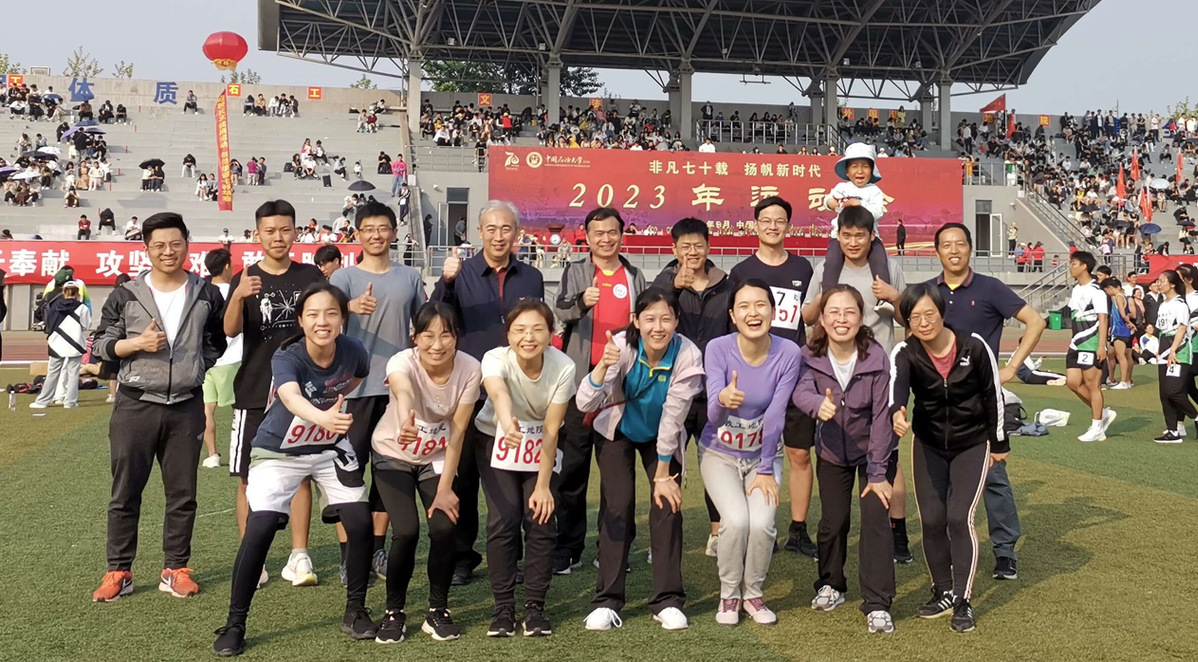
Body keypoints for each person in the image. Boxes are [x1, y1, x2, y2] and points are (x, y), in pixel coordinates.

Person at [212, 284, 375, 657]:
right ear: (301, 320)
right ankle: (235, 623)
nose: (322, 321)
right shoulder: (288, 355)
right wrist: (324, 417)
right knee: (261, 526)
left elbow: (356, 377)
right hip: (278, 450)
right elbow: (290, 396)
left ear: (343, 318)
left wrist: (330, 417)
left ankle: (355, 611)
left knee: (360, 522)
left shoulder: (354, 350)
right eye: (313, 314)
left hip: (328, 447)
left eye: (331, 313)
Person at [90, 212, 227, 602]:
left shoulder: (206, 293)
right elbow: (100, 344)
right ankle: (119, 571)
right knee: (125, 493)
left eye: (175, 244)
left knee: (183, 493)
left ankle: (175, 568)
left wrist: (193, 368)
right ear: (147, 249)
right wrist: (137, 344)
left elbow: (216, 342)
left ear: (187, 244)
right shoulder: (126, 293)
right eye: (159, 245)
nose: (168, 252)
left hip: (186, 405)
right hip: (135, 405)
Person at [431, 201, 544, 586]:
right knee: (463, 477)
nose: (499, 236)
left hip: (518, 391)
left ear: (517, 233)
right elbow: (436, 318)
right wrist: (446, 283)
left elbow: (536, 327)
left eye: (506, 228)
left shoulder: (531, 277)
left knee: (514, 476)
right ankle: (463, 557)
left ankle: (512, 555)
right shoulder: (460, 273)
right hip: (470, 389)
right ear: (479, 232)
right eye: (491, 229)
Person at [576, 288, 702, 632]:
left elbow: (673, 417)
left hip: (661, 436)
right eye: (649, 319)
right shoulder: (620, 346)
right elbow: (584, 403)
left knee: (668, 505)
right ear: (636, 321)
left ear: (677, 321)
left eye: (666, 319)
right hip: (617, 430)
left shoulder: (688, 354)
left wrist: (662, 474)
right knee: (617, 506)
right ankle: (606, 600)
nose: (658, 327)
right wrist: (602, 366)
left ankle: (668, 600)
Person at [929, 222, 1045, 581]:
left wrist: (1011, 367)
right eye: (946, 245)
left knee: (994, 474)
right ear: (937, 251)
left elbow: (1035, 321)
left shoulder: (990, 288)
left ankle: (1005, 551)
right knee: (943, 480)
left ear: (970, 248)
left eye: (960, 244)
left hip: (982, 400)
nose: (954, 250)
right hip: (939, 402)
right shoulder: (928, 292)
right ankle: (952, 551)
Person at [890, 282, 1007, 634]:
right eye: (915, 317)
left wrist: (999, 444)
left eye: (930, 314)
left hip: (972, 442)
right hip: (928, 443)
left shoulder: (973, 345)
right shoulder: (906, 351)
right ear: (907, 321)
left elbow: (992, 394)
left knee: (959, 517)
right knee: (931, 519)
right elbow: (897, 389)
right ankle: (941, 590)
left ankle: (962, 599)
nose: (924, 322)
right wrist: (897, 411)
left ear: (942, 312)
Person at [802, 205, 911, 563]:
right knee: (835, 451)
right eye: (846, 235)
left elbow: (908, 317)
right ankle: (834, 541)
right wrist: (826, 295)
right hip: (837, 375)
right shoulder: (825, 269)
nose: (853, 242)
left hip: (880, 373)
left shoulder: (888, 267)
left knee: (887, 453)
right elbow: (807, 317)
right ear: (838, 236)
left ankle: (897, 532)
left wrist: (893, 295)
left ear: (871, 236)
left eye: (860, 236)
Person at [224, 200, 325, 587]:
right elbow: (230, 330)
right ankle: (253, 556)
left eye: (285, 230)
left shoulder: (310, 275)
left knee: (301, 475)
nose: (278, 237)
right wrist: (238, 296)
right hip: (253, 390)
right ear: (257, 235)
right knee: (247, 477)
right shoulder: (245, 276)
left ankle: (299, 555)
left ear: (296, 232)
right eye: (270, 231)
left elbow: (326, 319)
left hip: (302, 391)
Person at [369, 302, 479, 642]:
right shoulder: (402, 361)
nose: (437, 344)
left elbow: (458, 432)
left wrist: (445, 489)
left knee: (444, 528)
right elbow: (402, 389)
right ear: (414, 337)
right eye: (428, 335)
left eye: (446, 335)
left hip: (437, 459)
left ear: (457, 336)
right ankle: (394, 612)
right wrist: (406, 419)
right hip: (392, 453)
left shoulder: (470, 369)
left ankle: (437, 610)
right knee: (406, 531)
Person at [330, 201, 427, 582]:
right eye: (368, 229)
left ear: (394, 232)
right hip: (353, 391)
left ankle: (376, 551)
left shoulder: (410, 277)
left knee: (389, 474)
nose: (376, 235)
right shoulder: (344, 278)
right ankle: (348, 556)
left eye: (383, 228)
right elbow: (323, 319)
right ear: (357, 234)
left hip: (397, 391)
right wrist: (349, 307)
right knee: (349, 476)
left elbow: (423, 326)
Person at [792, 285, 897, 634]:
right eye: (833, 312)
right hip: (832, 451)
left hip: (874, 453)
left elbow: (881, 418)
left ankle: (878, 603)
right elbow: (800, 390)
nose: (841, 319)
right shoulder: (809, 355)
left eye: (849, 312)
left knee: (875, 521)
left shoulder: (877, 358)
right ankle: (831, 583)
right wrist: (816, 405)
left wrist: (878, 472)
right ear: (821, 319)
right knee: (833, 522)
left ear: (861, 317)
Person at [550, 206, 646, 574]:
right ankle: (568, 547)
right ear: (587, 237)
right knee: (572, 470)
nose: (606, 239)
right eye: (598, 233)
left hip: (620, 387)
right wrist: (581, 302)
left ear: (621, 235)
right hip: (580, 383)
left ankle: (613, 546)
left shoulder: (634, 275)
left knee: (616, 472)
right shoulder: (576, 271)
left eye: (612, 232)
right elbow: (560, 311)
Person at [701, 279, 801, 626]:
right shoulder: (717, 348)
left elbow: (776, 414)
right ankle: (730, 594)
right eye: (743, 306)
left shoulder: (789, 353)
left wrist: (766, 469)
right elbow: (713, 415)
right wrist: (721, 399)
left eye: (761, 305)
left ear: (773, 312)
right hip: (719, 454)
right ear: (732, 315)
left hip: (763, 456)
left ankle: (753, 594)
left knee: (761, 523)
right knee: (736, 521)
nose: (753, 313)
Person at [476, 299, 575, 637]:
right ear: (508, 335)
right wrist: (507, 423)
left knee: (540, 517)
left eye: (537, 329)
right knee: (503, 519)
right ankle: (503, 608)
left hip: (543, 441)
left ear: (551, 333)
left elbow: (552, 429)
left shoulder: (563, 367)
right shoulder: (495, 358)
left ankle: (535, 607)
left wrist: (543, 486)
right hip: (497, 437)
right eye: (519, 330)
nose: (528, 337)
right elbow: (498, 393)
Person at [729, 196, 817, 558]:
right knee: (746, 451)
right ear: (756, 225)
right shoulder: (741, 272)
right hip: (752, 374)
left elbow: (809, 318)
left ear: (788, 226)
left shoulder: (803, 268)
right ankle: (750, 524)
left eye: (779, 220)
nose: (772, 226)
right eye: (766, 220)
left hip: (794, 373)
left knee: (799, 452)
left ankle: (798, 529)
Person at [653, 217, 735, 556]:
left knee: (718, 463)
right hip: (675, 391)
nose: (692, 252)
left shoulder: (726, 285)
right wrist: (673, 287)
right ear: (674, 249)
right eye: (684, 246)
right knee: (667, 462)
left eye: (698, 245)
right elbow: (653, 317)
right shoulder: (663, 283)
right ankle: (664, 538)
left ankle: (718, 532)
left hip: (715, 391)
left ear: (708, 246)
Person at [820, 143, 891, 293]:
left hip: (870, 238)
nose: (860, 171)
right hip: (840, 238)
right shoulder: (842, 188)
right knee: (832, 262)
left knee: (880, 262)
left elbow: (878, 212)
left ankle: (884, 297)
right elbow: (827, 201)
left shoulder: (874, 191)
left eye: (865, 166)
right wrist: (839, 204)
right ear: (847, 171)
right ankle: (827, 294)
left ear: (872, 170)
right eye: (854, 166)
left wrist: (858, 205)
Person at [1065, 251, 1115, 442]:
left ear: (1084, 266)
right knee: (1072, 382)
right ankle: (1103, 413)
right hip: (1076, 343)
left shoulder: (1097, 291)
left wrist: (1101, 345)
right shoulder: (1076, 289)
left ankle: (1097, 427)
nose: (1071, 267)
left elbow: (1103, 319)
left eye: (1074, 264)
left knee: (1092, 384)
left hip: (1091, 343)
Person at [200, 249, 243, 469]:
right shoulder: (235, 292)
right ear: (226, 266)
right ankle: (240, 452)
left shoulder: (202, 292)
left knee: (207, 408)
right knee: (241, 410)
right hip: (233, 358)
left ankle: (212, 454)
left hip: (207, 360)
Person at [1151, 270, 1196, 443]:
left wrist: (1173, 350)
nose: (1159, 283)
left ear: (1172, 284)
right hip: (1164, 352)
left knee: (1174, 391)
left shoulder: (1180, 304)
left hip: (1179, 352)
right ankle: (1172, 431)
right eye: (1158, 280)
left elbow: (1182, 328)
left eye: (1162, 280)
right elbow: (1162, 331)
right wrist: (1160, 350)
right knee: (1164, 394)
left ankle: (1195, 416)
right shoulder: (1163, 305)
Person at [30, 280, 91, 410]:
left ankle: (43, 401)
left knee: (53, 373)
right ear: (77, 293)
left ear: (63, 291)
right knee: (73, 374)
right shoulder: (83, 308)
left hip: (56, 343)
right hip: (75, 344)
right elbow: (86, 325)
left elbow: (49, 324)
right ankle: (70, 402)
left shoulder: (54, 306)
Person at [1101, 278, 1135, 390]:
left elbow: (1123, 314)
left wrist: (1129, 323)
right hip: (1121, 330)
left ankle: (1124, 381)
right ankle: (1127, 381)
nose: (1106, 293)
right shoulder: (1120, 297)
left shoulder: (1118, 297)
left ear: (1110, 288)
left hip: (1120, 330)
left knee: (1121, 356)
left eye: (1106, 290)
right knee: (1124, 355)